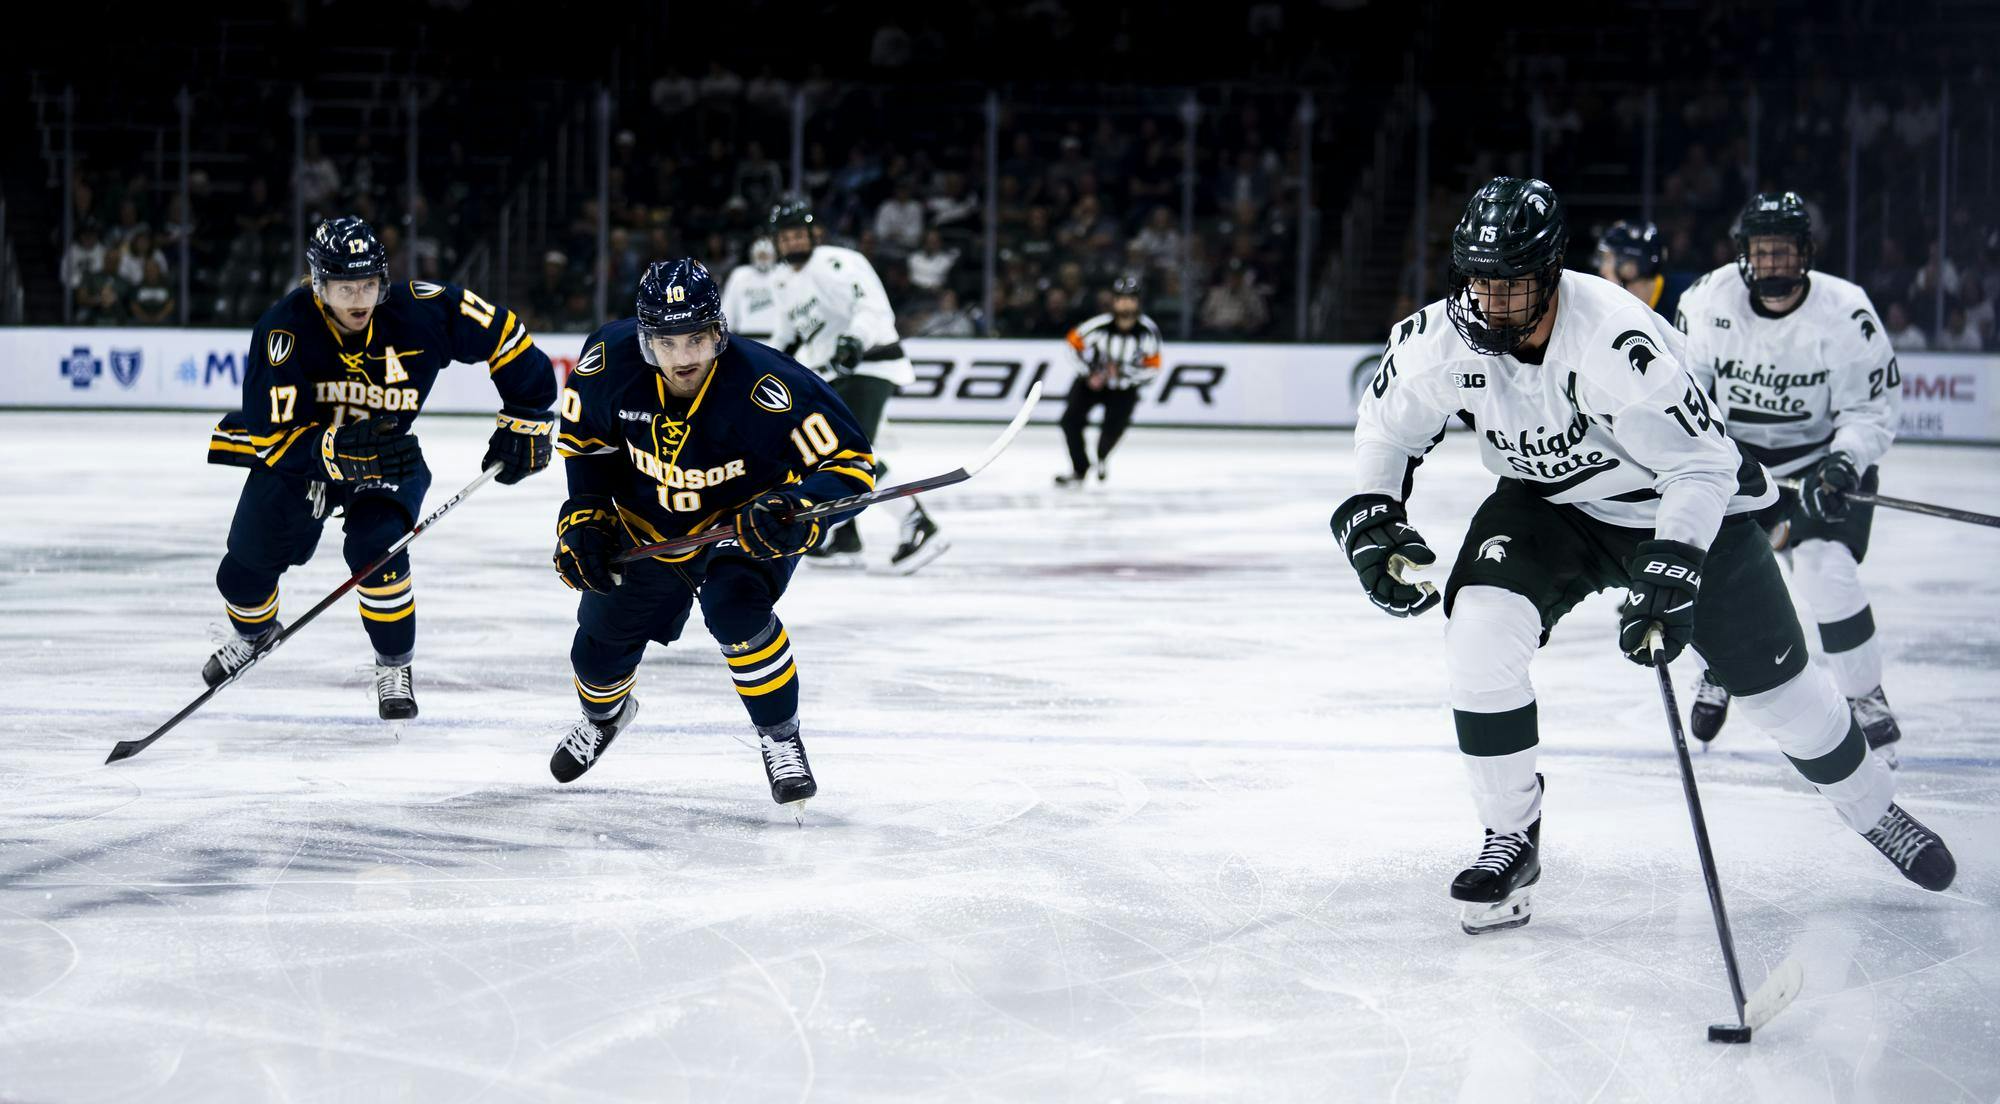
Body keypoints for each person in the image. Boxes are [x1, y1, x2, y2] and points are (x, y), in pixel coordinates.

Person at [1332, 177, 1954, 935]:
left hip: (1674, 503)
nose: (1490, 304)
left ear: (1552, 275)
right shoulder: (1440, 338)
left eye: (1512, 286)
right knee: (1477, 633)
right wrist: (1371, 512)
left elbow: (1700, 465)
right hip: (1546, 505)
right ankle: (1509, 838)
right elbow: (1387, 426)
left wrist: (1673, 563)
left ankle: (1874, 811)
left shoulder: (1617, 344)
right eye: (1478, 283)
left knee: (1783, 697)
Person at [548, 259, 877, 811]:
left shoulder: (767, 382)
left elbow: (852, 467)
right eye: (670, 343)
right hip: (647, 524)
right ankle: (604, 718)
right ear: (647, 338)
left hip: (744, 525)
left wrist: (794, 505)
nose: (686, 357)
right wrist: (583, 517)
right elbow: (588, 450)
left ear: (718, 330)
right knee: (596, 652)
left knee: (735, 607)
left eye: (698, 338)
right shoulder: (607, 362)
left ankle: (780, 736)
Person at [203, 217, 557, 720]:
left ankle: (394, 663)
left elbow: (504, 334)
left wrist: (529, 412)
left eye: (368, 284)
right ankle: (254, 633)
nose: (359, 299)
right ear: (318, 284)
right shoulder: (283, 329)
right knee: (242, 571)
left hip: (387, 455)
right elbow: (271, 436)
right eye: (345, 286)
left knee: (378, 550)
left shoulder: (421, 311)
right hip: (304, 458)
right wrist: (332, 454)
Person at [1675, 193, 1907, 760]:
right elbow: (1684, 397)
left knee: (1827, 570)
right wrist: (1713, 460)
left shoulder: (1846, 311)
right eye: (1763, 252)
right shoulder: (1706, 302)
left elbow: (1870, 411)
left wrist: (1845, 460)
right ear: (1744, 254)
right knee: (1716, 571)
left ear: (1805, 253)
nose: (1774, 263)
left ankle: (1864, 695)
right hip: (1735, 461)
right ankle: (1718, 669)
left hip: (1818, 463)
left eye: (1784, 252)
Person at [767, 197, 948, 573]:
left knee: (853, 455)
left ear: (812, 234)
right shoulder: (781, 280)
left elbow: (874, 308)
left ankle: (919, 525)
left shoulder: (839, 263)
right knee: (827, 454)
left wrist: (854, 339)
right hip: (832, 376)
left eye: (798, 234)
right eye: (785, 237)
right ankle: (847, 537)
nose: (793, 242)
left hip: (870, 365)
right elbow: (787, 334)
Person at [1055, 275, 1164, 486]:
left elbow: (1153, 368)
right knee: (1070, 421)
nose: (1125, 304)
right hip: (1092, 385)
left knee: (1112, 429)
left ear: (1138, 302)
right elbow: (1072, 345)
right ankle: (1080, 469)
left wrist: (1123, 374)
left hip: (1124, 389)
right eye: (1121, 298)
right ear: (1114, 301)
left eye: (1130, 299)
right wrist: (1089, 373)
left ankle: (1102, 457)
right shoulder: (1099, 326)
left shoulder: (1147, 332)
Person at [1593, 219, 1674, 318]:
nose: (1603, 270)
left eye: (1608, 260)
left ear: (1631, 268)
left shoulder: (1682, 302)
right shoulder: (1608, 307)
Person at [720, 237, 783, 341]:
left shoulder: (782, 273)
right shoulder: (740, 275)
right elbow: (728, 308)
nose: (763, 260)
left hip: (776, 337)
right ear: (752, 256)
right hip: (747, 337)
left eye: (766, 256)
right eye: (760, 256)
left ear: (774, 256)